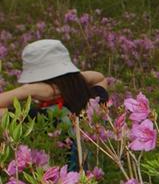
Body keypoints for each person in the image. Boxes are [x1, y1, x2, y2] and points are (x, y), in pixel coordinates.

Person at [1, 39, 109, 170]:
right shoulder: (94, 102)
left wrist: (28, 91)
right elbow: (100, 78)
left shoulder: (42, 117)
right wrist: (71, 82)